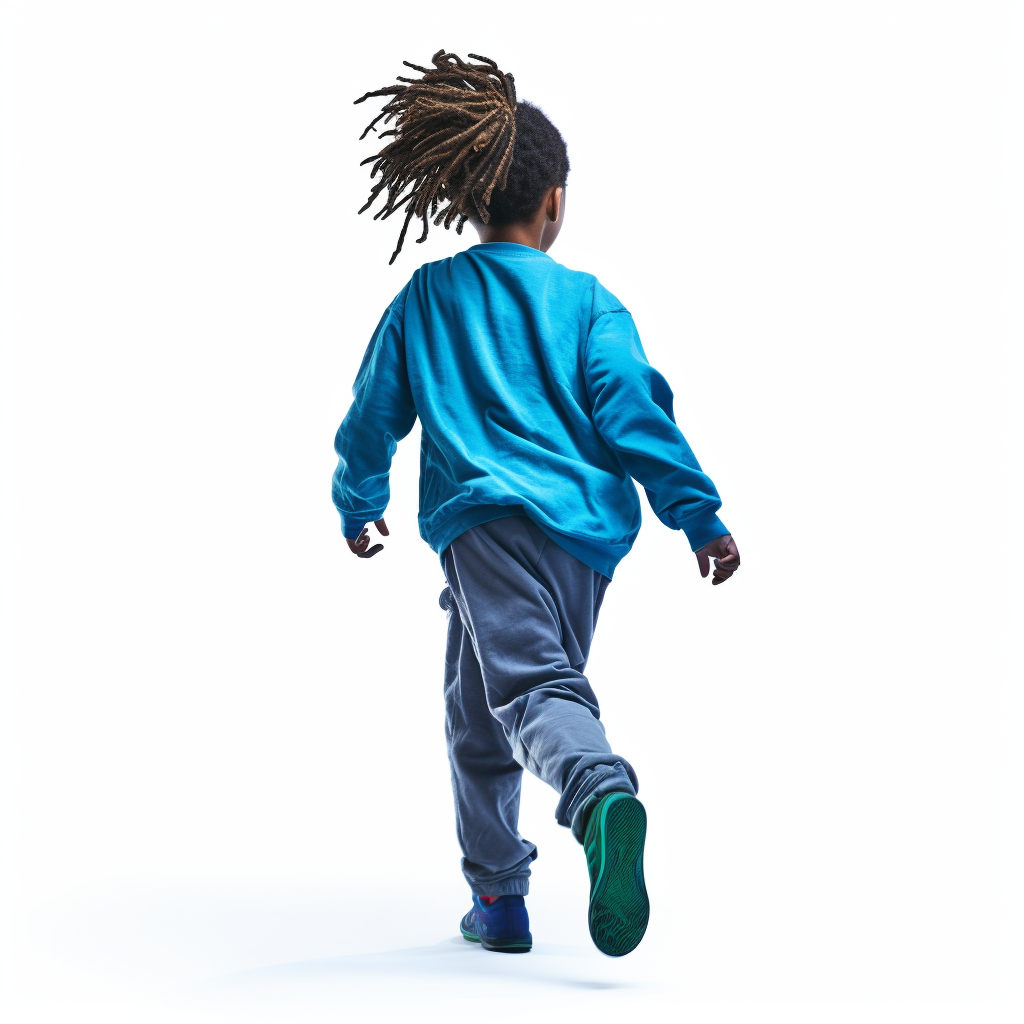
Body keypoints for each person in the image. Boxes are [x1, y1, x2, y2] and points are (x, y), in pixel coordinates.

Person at [332, 51, 740, 958]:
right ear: (553, 202)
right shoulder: (589, 302)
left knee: (529, 690)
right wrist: (696, 514)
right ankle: (499, 899)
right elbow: (636, 411)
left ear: (468, 195)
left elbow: (372, 416)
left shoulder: (430, 296)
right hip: (583, 542)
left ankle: (599, 794)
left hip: (483, 526)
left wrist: (358, 499)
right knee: (478, 706)